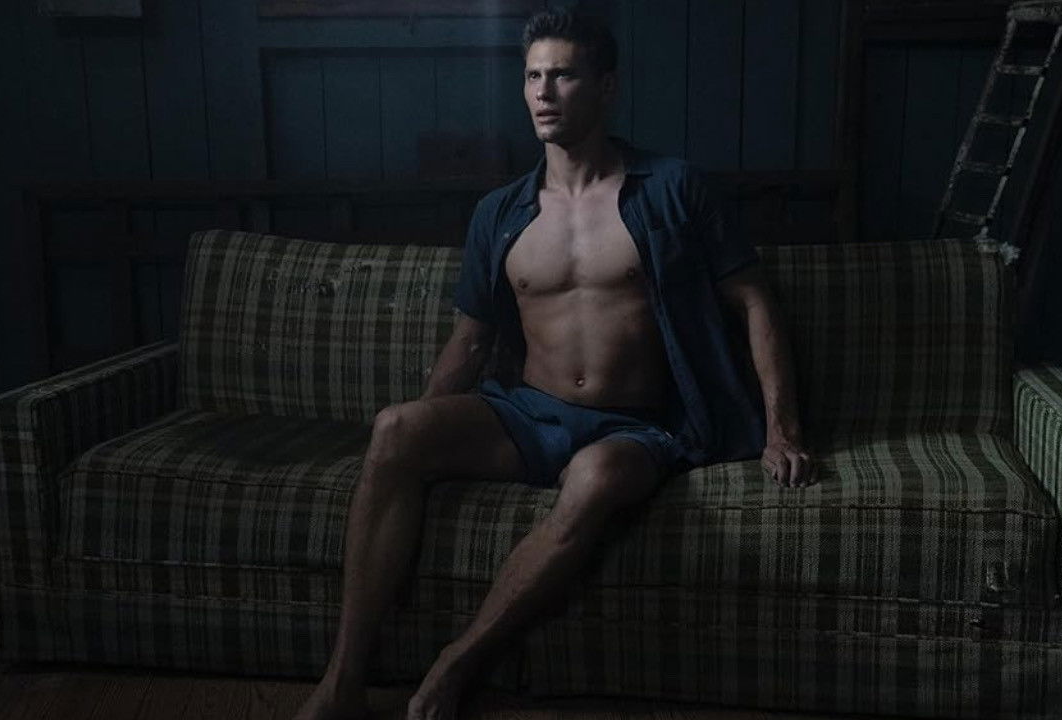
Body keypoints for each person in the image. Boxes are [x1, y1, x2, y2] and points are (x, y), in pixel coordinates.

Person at [293, 8, 814, 720]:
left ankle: (457, 662)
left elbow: (754, 301)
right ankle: (343, 681)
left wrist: (781, 429)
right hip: (529, 415)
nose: (543, 92)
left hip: (636, 427)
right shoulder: (500, 212)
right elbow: (471, 341)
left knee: (594, 476)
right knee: (394, 429)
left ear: (607, 87)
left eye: (563, 75)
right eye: (533, 76)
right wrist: (427, 428)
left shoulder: (673, 188)